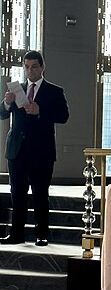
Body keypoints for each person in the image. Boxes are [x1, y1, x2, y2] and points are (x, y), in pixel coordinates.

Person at [0, 51, 69, 246]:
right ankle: (16, 234)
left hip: (41, 151)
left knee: (40, 194)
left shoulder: (54, 91)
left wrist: (41, 111)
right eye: (27, 67)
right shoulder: (17, 90)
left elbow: (64, 116)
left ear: (42, 67)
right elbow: (2, 114)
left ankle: (41, 234)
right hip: (17, 150)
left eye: (34, 67)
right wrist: (7, 102)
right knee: (17, 194)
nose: (30, 71)